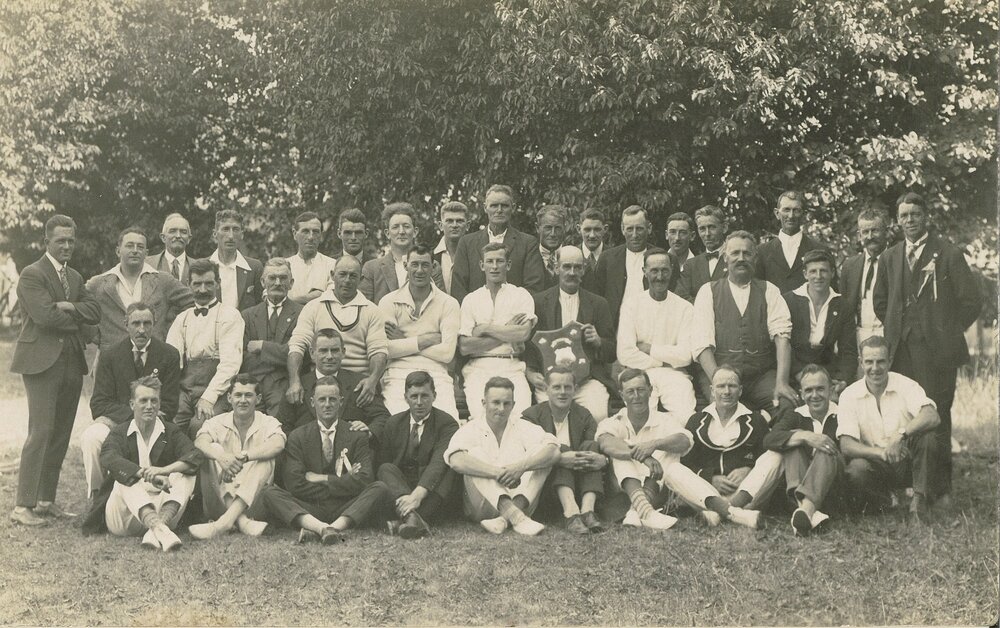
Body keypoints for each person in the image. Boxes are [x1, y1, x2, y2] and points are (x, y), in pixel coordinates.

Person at [873, 192, 981, 506]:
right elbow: (882, 302)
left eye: (915, 215)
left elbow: (971, 302)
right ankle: (910, 486)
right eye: (904, 216)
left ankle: (942, 488)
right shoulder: (890, 257)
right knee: (905, 417)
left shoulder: (948, 253)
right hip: (901, 352)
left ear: (926, 217)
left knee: (937, 417)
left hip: (937, 355)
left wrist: (944, 330)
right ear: (897, 221)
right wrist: (899, 329)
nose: (909, 221)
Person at [10, 214, 101, 526]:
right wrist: (76, 317)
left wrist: (71, 307)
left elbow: (95, 311)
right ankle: (23, 505)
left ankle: (46, 500)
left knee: (61, 433)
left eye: (70, 241)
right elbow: (45, 317)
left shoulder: (74, 277)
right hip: (40, 361)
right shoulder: (31, 274)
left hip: (72, 361)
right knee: (41, 431)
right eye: (60, 240)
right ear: (46, 240)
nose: (66, 246)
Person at [597, 368, 761, 530]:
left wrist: (654, 444)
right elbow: (605, 442)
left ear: (650, 391)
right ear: (621, 395)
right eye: (630, 391)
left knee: (671, 458)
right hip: (623, 490)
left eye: (641, 390)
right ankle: (643, 510)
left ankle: (639, 510)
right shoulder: (614, 421)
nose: (636, 396)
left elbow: (685, 440)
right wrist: (646, 457)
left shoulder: (665, 420)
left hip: (656, 488)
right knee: (620, 450)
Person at [249, 376, 394, 544]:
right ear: (312, 402)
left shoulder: (356, 435)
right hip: (310, 507)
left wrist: (322, 478)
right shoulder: (298, 436)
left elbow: (365, 479)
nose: (327, 404)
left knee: (380, 488)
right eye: (322, 399)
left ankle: (326, 529)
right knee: (270, 493)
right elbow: (295, 484)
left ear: (340, 402)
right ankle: (323, 528)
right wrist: (344, 481)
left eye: (332, 399)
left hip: (347, 506)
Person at [81, 376, 202, 550]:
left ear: (160, 404)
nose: (149, 406)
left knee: (185, 474)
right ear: (132, 404)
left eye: (154, 401)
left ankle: (157, 528)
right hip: (124, 517)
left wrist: (163, 470)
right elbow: (109, 458)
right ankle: (160, 528)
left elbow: (194, 456)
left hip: (164, 509)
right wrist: (144, 474)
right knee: (124, 477)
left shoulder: (170, 431)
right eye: (143, 400)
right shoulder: (119, 432)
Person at [82, 302, 181, 502]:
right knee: (91, 437)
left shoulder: (169, 355)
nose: (142, 329)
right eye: (136, 323)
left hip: (153, 425)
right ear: (126, 324)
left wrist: (145, 419)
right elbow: (99, 404)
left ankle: (150, 497)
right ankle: (98, 498)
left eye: (147, 323)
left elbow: (170, 404)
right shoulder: (110, 355)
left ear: (154, 324)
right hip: (117, 423)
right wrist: (132, 417)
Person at [837, 336, 940, 523]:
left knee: (928, 437)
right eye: (869, 362)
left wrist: (901, 435)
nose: (875, 368)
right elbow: (846, 445)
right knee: (856, 469)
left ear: (890, 361)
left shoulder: (905, 384)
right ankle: (884, 500)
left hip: (907, 459)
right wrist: (880, 453)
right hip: (877, 464)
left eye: (881, 361)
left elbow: (932, 415)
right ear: (860, 362)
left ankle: (919, 501)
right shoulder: (849, 395)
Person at [691, 230, 797, 411]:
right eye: (735, 253)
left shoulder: (769, 290)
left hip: (760, 376)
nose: (741, 258)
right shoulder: (708, 291)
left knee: (785, 405)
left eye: (747, 253)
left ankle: (772, 435)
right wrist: (719, 382)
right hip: (718, 375)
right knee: (722, 412)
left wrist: (781, 382)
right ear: (725, 257)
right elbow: (702, 346)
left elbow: (782, 338)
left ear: (755, 258)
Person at [445, 377, 561, 535]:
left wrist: (520, 467)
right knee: (473, 455)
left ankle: (504, 519)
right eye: (495, 402)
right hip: (482, 507)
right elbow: (456, 461)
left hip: (523, 501)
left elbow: (554, 451)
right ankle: (516, 517)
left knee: (542, 452)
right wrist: (497, 472)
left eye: (506, 403)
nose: (501, 408)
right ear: (484, 403)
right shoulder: (471, 429)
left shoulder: (523, 426)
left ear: (513, 405)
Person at [189, 375, 286, 540]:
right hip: (218, 502)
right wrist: (221, 457)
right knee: (213, 448)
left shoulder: (268, 422)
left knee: (266, 456)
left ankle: (223, 523)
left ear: (258, 399)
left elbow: (278, 443)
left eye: (248, 395)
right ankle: (240, 521)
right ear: (229, 398)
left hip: (254, 505)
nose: (243, 400)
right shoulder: (217, 422)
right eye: (238, 395)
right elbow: (199, 442)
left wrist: (244, 457)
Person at [285, 255, 388, 409]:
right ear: (332, 275)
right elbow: (297, 345)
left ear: (361, 279)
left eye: (353, 276)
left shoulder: (372, 310)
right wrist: (294, 381)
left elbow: (378, 351)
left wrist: (372, 381)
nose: (347, 280)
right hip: (320, 382)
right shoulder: (313, 307)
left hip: (358, 384)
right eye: (342, 274)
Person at [526, 245, 616, 420]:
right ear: (556, 268)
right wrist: (530, 372)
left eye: (577, 267)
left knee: (597, 414)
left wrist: (599, 341)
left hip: (587, 381)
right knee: (550, 418)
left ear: (584, 270)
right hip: (549, 381)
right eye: (567, 266)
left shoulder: (598, 304)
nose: (572, 272)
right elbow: (529, 346)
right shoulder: (538, 302)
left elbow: (612, 351)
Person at [681, 366, 784, 511]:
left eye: (732, 386)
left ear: (740, 390)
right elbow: (686, 462)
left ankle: (725, 510)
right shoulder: (696, 421)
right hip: (707, 492)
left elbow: (764, 458)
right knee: (673, 469)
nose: (726, 392)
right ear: (712, 390)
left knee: (775, 456)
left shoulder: (756, 420)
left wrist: (748, 469)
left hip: (745, 493)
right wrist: (710, 477)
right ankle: (731, 512)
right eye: (721, 386)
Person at [378, 245, 461, 420]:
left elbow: (447, 354)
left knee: (448, 422)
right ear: (405, 265)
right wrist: (424, 340)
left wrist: (404, 339)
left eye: (425, 265)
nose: (420, 270)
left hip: (436, 372)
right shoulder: (388, 301)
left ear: (433, 267)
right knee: (397, 422)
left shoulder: (449, 303)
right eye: (414, 264)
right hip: (397, 371)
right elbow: (386, 348)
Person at [521, 367, 607, 534]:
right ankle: (571, 513)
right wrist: (560, 457)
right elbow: (528, 454)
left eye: (567, 387)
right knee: (559, 447)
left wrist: (600, 459)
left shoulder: (584, 415)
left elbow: (593, 449)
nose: (563, 392)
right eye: (556, 387)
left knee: (590, 447)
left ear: (575, 389)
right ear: (546, 389)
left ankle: (588, 510)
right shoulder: (531, 416)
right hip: (547, 485)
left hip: (580, 482)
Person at [458, 242, 537, 421]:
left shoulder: (521, 295)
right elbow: (464, 346)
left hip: (511, 366)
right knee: (481, 418)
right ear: (481, 265)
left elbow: (523, 334)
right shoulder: (471, 300)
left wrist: (484, 329)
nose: (494, 266)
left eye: (499, 261)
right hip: (478, 368)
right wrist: (507, 330)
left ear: (508, 265)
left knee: (520, 417)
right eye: (490, 261)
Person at [166, 258, 245, 436]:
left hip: (218, 389)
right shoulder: (182, 318)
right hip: (185, 388)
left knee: (200, 426)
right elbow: (172, 360)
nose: (203, 290)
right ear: (188, 284)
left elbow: (230, 365)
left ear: (218, 283)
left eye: (209, 283)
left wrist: (208, 398)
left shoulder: (230, 315)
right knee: (169, 425)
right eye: (197, 284)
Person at [376, 371, 459, 539]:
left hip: (430, 494)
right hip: (402, 492)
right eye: (414, 396)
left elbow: (437, 464)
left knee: (448, 467)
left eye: (425, 396)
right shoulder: (394, 423)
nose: (419, 402)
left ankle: (408, 518)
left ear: (434, 396)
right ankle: (413, 519)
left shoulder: (447, 424)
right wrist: (406, 496)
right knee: (385, 468)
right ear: (406, 397)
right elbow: (384, 462)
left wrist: (417, 496)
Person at [763, 364, 843, 536]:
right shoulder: (796, 414)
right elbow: (769, 439)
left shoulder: (843, 413)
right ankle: (809, 513)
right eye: (808, 390)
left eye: (820, 389)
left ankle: (804, 510)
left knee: (826, 446)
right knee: (793, 442)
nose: (814, 395)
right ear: (801, 393)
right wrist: (805, 436)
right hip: (802, 481)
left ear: (831, 390)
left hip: (834, 482)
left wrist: (818, 441)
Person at [86, 226, 193, 353]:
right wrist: (95, 336)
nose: (135, 251)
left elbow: (192, 301)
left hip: (153, 355)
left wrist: (168, 328)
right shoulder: (99, 283)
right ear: (118, 251)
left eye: (140, 247)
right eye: (130, 246)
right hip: (113, 358)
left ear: (146, 253)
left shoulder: (163, 280)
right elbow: (79, 307)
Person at [617, 250, 696, 420]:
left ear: (671, 270)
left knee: (685, 416)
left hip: (674, 375)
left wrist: (649, 348)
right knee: (641, 418)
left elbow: (685, 356)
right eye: (654, 271)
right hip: (639, 373)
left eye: (664, 270)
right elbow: (625, 354)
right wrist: (664, 361)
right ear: (644, 271)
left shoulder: (685, 308)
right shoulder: (631, 305)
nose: (659, 276)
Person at [280, 328, 391, 438]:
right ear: (312, 353)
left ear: (343, 352)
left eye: (334, 350)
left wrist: (369, 431)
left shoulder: (360, 384)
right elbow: (283, 425)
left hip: (350, 450)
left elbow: (382, 418)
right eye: (323, 351)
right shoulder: (298, 387)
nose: (329, 356)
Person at [449, 184, 546, 302]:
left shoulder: (527, 243)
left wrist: (508, 315)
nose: (499, 210)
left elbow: (534, 287)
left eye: (504, 206)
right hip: (476, 316)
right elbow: (458, 288)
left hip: (514, 316)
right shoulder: (467, 243)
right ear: (485, 208)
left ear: (513, 207)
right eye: (494, 205)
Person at [583, 205, 673, 325]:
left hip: (655, 324)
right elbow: (597, 298)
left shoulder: (663, 259)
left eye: (639, 229)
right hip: (616, 329)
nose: (635, 235)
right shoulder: (608, 258)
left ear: (649, 228)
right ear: (622, 229)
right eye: (630, 229)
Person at [783, 249, 857, 389]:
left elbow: (849, 351)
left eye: (823, 271)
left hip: (828, 373)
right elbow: (782, 345)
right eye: (813, 271)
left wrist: (842, 380)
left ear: (832, 273)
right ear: (805, 274)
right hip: (794, 373)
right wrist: (799, 374)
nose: (818, 276)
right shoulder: (788, 301)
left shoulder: (842, 306)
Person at [241, 258, 303, 417]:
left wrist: (262, 346)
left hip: (284, 385)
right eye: (272, 278)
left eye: (283, 278)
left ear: (291, 283)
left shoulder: (303, 314)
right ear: (262, 282)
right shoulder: (247, 315)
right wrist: (280, 354)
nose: (277, 283)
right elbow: (243, 355)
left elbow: (299, 353)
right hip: (252, 385)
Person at [361, 202, 444, 304]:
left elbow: (440, 302)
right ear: (387, 233)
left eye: (406, 226)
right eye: (395, 227)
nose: (401, 231)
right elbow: (365, 307)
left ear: (415, 232)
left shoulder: (432, 266)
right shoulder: (372, 268)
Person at [755, 190, 832, 294]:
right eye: (786, 210)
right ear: (777, 213)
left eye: (796, 210)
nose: (791, 216)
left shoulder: (820, 250)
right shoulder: (762, 252)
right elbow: (756, 292)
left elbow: (831, 292)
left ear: (803, 214)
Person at [840, 206, 890, 345]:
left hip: (888, 333)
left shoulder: (896, 262)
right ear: (859, 235)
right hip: (859, 335)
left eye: (875, 230)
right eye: (865, 232)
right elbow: (844, 306)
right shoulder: (850, 266)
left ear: (886, 231)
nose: (870, 236)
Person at [208, 209, 263, 311]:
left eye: (236, 229)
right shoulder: (205, 266)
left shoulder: (254, 267)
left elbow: (261, 307)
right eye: (225, 229)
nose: (231, 236)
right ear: (215, 234)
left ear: (242, 234)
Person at [675, 204, 728, 302]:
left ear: (724, 227)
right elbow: (681, 298)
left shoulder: (736, 259)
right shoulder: (691, 265)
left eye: (712, 227)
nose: (707, 234)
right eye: (702, 229)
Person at [286, 211, 336, 304]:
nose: (310, 237)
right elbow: (270, 296)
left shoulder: (332, 265)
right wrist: (315, 296)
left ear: (321, 235)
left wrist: (287, 303)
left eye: (316, 232)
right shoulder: (284, 265)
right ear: (294, 233)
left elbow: (331, 297)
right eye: (305, 231)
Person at [433, 200, 469, 294]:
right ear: (440, 225)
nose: (454, 225)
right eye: (449, 221)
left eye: (459, 221)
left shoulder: (475, 254)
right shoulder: (431, 255)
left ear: (467, 225)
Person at [146, 213, 193, 285]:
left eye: (183, 232)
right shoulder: (147, 264)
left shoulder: (197, 266)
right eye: (172, 231)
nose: (178, 236)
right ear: (163, 237)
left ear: (189, 238)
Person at [536, 205, 569, 289]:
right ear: (537, 228)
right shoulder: (529, 256)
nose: (553, 234)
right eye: (548, 228)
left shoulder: (571, 256)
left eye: (558, 228)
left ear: (564, 228)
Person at [577, 208, 607, 275]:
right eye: (587, 230)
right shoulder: (571, 256)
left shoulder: (614, 257)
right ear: (579, 229)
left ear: (605, 229)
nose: (592, 235)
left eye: (597, 229)